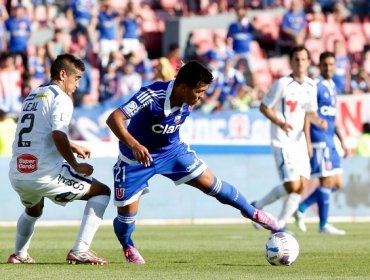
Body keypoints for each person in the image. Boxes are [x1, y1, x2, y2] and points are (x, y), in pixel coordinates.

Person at [106, 60, 279, 265]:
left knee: (213, 185)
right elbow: (114, 118)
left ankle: (254, 213)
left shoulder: (187, 96)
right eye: (199, 91)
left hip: (171, 152)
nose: (201, 97)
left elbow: (187, 71)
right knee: (126, 219)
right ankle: (128, 246)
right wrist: (134, 145)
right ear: (183, 87)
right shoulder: (152, 95)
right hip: (135, 159)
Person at [7, 54, 111, 264]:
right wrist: (75, 164)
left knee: (34, 209)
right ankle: (80, 250)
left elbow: (40, 131)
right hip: (44, 175)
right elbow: (57, 135)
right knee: (102, 192)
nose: (78, 84)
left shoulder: (34, 94)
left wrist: (72, 145)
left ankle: (19, 254)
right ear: (63, 74)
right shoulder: (61, 98)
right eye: (77, 78)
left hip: (19, 173)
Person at [251, 45, 327, 231]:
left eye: (303, 59)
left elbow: (309, 114)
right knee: (293, 184)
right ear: (291, 62)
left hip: (300, 141)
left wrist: (315, 128)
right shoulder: (282, 84)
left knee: (301, 186)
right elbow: (264, 106)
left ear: (308, 62)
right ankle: (258, 205)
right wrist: (280, 122)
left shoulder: (311, 85)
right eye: (296, 59)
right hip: (282, 140)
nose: (300, 63)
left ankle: (280, 224)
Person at [294, 51, 349, 235]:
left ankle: (302, 207)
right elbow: (308, 115)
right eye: (325, 65)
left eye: (331, 64)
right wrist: (308, 141)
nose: (328, 68)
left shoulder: (333, 86)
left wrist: (343, 141)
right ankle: (323, 224)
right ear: (320, 66)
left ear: (335, 65)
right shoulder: (315, 86)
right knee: (326, 180)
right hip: (319, 139)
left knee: (337, 182)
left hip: (331, 139)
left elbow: (336, 118)